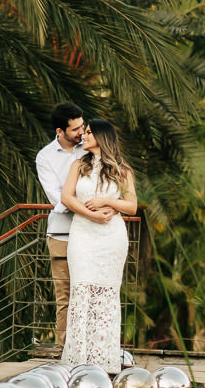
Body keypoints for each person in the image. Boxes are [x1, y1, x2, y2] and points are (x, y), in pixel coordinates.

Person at [59, 119, 137, 371]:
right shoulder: (78, 166)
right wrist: (91, 214)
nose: (84, 135)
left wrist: (107, 201)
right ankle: (78, 359)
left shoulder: (123, 171)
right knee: (82, 291)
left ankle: (103, 360)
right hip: (82, 235)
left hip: (111, 238)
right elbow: (67, 198)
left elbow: (131, 206)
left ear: (102, 137)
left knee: (106, 295)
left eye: (89, 132)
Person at [35, 103, 86, 344]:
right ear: (59, 131)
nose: (81, 132)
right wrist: (87, 206)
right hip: (62, 234)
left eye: (82, 126)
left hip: (91, 233)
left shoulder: (90, 148)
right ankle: (64, 349)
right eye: (75, 129)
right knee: (64, 296)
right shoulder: (45, 157)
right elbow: (57, 198)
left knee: (88, 293)